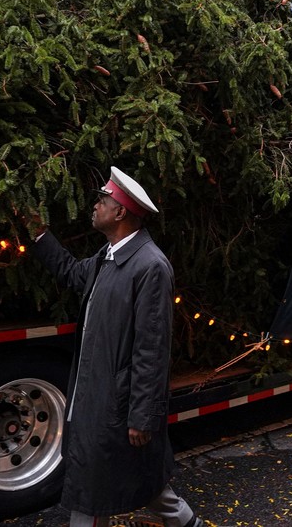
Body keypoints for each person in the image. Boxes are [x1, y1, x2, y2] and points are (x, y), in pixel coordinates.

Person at [30, 166, 204, 527]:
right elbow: (72, 273)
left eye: (102, 200)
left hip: (115, 402)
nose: (95, 206)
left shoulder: (150, 266)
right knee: (140, 484)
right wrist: (39, 233)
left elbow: (151, 350)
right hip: (94, 396)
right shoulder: (109, 256)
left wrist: (142, 416)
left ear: (121, 211)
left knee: (96, 491)